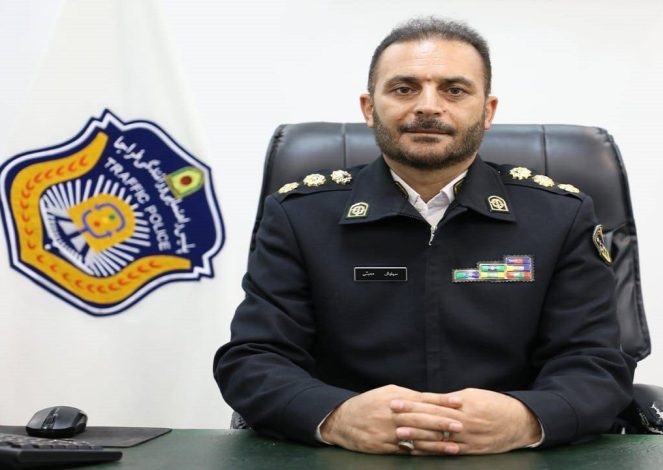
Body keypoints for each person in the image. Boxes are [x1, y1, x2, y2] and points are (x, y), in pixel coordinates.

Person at [214, 17, 635, 456]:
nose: (428, 107)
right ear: (368, 108)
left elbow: (595, 363)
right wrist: (335, 416)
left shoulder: (559, 217)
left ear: (487, 111)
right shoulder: (300, 216)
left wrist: (526, 419)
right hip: (346, 457)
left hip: (511, 457)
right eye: (404, 89)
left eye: (454, 90)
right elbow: (254, 359)